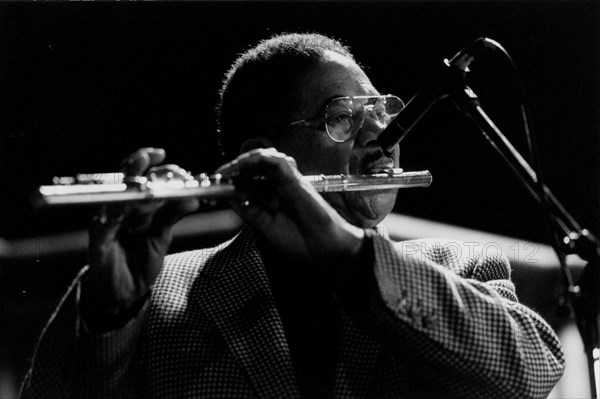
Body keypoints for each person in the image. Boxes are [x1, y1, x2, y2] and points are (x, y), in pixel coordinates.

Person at [20, 33, 563, 398]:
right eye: (343, 117)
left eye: (382, 110)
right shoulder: (159, 294)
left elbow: (534, 373)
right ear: (261, 155)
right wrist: (109, 318)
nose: (382, 135)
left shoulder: (458, 265)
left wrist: (347, 251)